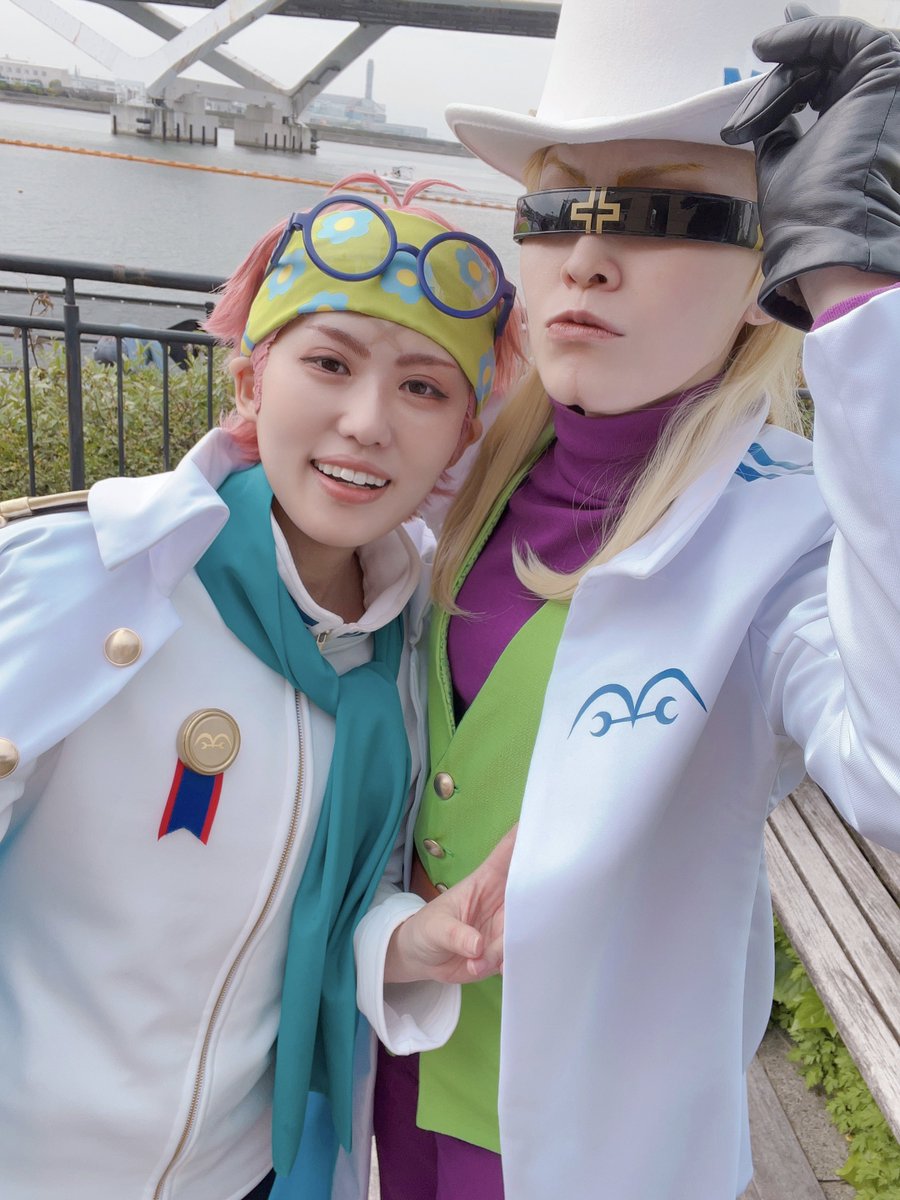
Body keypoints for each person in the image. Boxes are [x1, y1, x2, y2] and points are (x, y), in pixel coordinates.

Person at [363, 2, 900, 1198]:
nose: (588, 260)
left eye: (665, 214)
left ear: (769, 270)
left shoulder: (795, 531)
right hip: (384, 1083)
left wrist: (860, 300)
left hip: (591, 1147)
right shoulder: (456, 473)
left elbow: (892, 774)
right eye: (557, 210)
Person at [0, 177, 524, 1200]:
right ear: (249, 381)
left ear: (462, 438)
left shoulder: (413, 647)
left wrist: (410, 940)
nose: (367, 422)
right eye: (329, 363)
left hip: (251, 1173)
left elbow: (328, 902)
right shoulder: (85, 580)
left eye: (423, 389)